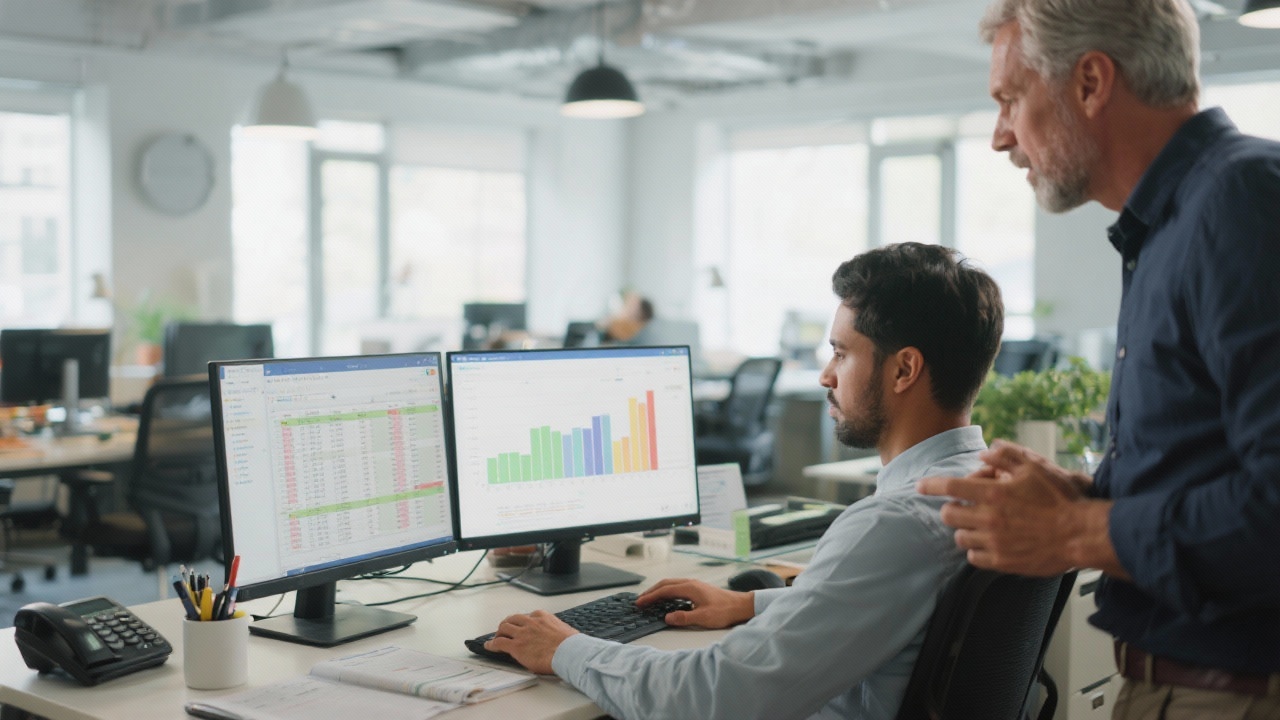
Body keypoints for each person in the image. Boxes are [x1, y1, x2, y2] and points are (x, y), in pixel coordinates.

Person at [916, 0, 1280, 716]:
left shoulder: (1239, 201)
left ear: (1090, 82)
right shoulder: (1174, 224)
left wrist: (1072, 531)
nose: (1000, 137)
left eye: (1010, 99)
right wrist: (1086, 499)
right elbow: (1223, 467)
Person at [485, 242, 1004, 720]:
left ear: (904, 370)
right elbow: (879, 602)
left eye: (842, 354)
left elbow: (718, 696)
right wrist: (750, 604)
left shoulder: (893, 523)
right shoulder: (982, 489)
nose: (826, 375)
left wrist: (568, 649)